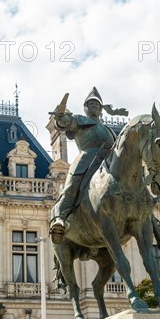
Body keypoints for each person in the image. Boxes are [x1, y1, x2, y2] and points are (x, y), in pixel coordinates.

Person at [49, 87, 127, 244]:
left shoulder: (109, 130)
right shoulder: (79, 120)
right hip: (87, 159)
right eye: (90, 103)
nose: (94, 106)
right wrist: (61, 117)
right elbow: (64, 123)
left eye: (97, 104)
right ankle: (59, 218)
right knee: (71, 187)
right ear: (85, 107)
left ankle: (155, 226)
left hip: (108, 164)